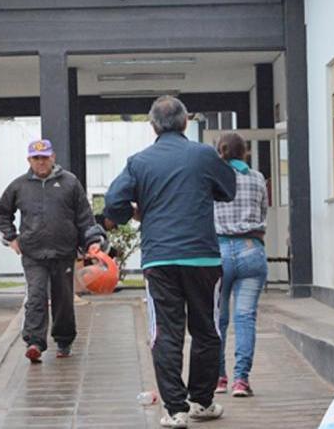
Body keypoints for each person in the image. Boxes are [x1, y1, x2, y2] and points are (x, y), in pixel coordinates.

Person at [104, 96, 235, 429]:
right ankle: (202, 402)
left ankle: (176, 409)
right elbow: (228, 189)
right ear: (185, 122)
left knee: (165, 332)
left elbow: (113, 203)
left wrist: (134, 212)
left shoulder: (139, 162)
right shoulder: (204, 156)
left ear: (152, 125)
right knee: (206, 330)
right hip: (203, 257)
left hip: (160, 259)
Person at [0, 139, 104, 362]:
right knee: (36, 296)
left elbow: (85, 217)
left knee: (63, 300)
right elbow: (1, 213)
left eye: (44, 157)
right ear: (29, 160)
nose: (41, 162)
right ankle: (34, 342)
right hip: (33, 254)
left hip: (63, 253)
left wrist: (92, 240)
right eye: (36, 158)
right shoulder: (19, 186)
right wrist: (11, 238)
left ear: (53, 157)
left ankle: (64, 341)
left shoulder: (70, 183)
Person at [212, 132, 268, 399]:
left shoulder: (212, 179)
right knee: (245, 318)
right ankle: (241, 381)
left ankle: (219, 378)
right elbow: (263, 212)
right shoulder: (257, 178)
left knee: (218, 319)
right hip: (251, 249)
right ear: (245, 152)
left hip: (219, 252)